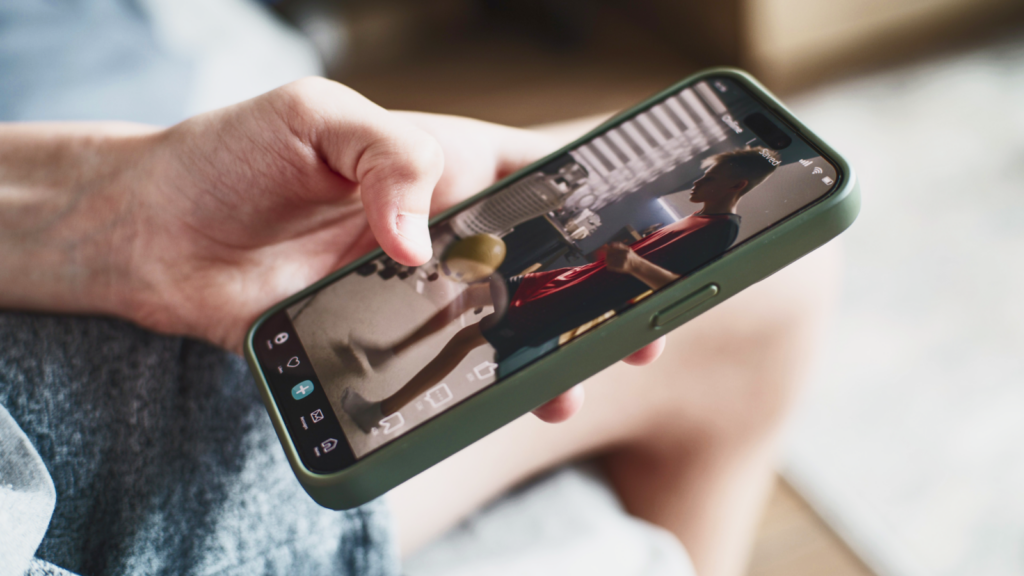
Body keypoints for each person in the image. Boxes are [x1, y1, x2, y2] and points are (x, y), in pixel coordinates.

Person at [0, 5, 839, 576]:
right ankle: (384, 400)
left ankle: (382, 399)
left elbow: (652, 258)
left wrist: (121, 206)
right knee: (780, 296)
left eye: (725, 168)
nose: (717, 175)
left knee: (477, 325)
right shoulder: (701, 216)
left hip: (53, 408)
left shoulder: (716, 225)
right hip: (95, 488)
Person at [342, 147, 778, 428]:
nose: (698, 184)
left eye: (710, 178)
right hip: (566, 281)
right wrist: (627, 252)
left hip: (571, 302)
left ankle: (378, 413)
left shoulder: (720, 232)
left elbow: (681, 289)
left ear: (737, 185)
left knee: (465, 340)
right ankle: (389, 351)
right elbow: (652, 261)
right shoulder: (699, 218)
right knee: (474, 293)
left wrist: (633, 262)